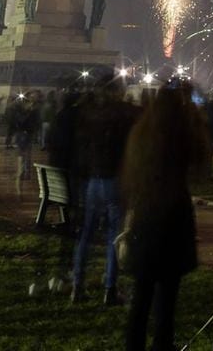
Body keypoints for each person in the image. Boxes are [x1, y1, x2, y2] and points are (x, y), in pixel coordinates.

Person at [121, 84, 204, 351]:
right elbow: (202, 158)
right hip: (174, 217)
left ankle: (133, 345)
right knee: (168, 298)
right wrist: (193, 110)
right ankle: (162, 344)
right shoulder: (182, 135)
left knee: (141, 296)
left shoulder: (141, 135)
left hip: (145, 216)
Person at [72, 76, 137, 305]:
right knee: (113, 234)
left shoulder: (88, 113)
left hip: (93, 178)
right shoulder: (123, 113)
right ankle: (110, 288)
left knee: (86, 233)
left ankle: (76, 285)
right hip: (113, 178)